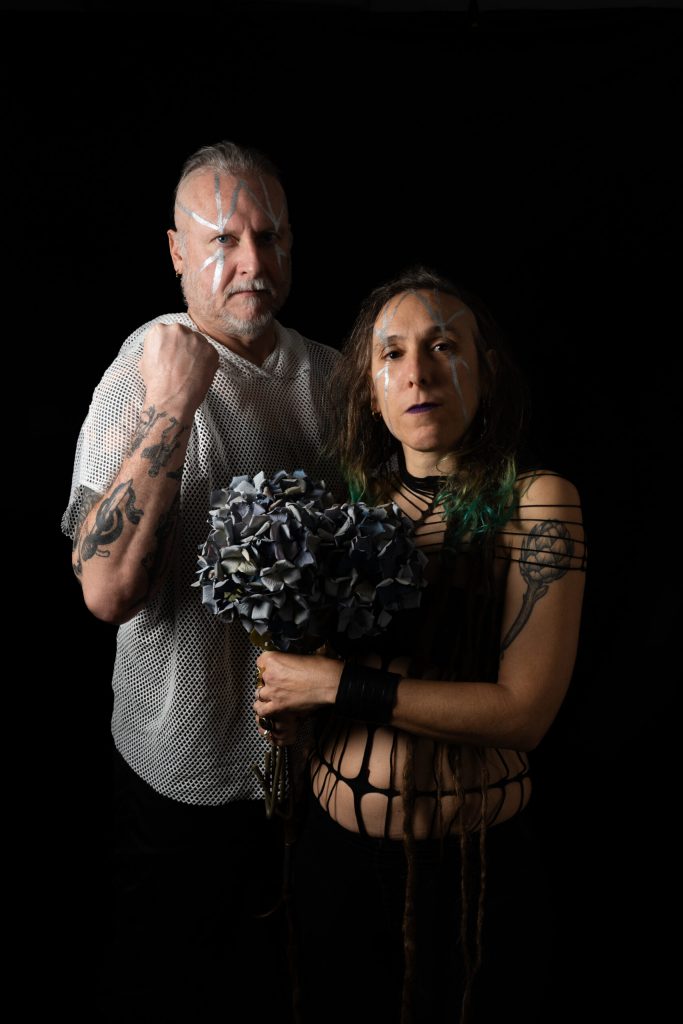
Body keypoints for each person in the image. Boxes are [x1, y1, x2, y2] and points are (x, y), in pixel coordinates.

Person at [254, 266, 587, 1024]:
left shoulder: (535, 500)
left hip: (467, 871)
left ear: (484, 368)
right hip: (331, 861)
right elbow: (309, 681)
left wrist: (332, 685)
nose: (418, 372)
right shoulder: (346, 504)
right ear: (370, 390)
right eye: (392, 353)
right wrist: (287, 702)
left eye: (443, 346)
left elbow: (525, 713)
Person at [61, 140, 342, 1022]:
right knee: (169, 987)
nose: (251, 262)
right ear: (177, 252)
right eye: (222, 239)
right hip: (178, 768)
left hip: (313, 769)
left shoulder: (333, 377)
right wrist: (173, 404)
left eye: (270, 236)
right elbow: (106, 593)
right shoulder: (139, 373)